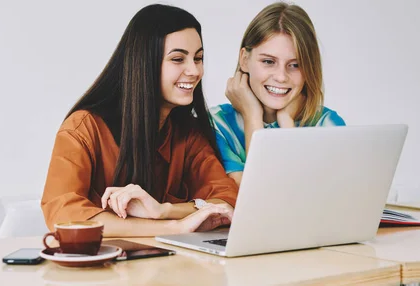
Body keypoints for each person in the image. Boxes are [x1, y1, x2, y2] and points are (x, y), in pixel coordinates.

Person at [41, 4, 238, 237]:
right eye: (178, 59)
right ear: (144, 63)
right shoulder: (83, 128)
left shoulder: (188, 134)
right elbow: (63, 214)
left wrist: (163, 211)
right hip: (102, 269)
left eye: (198, 58)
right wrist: (174, 226)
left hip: (170, 267)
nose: (194, 71)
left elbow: (227, 200)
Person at [211, 2, 346, 186]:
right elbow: (257, 196)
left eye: (295, 65)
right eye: (268, 61)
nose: (281, 77)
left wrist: (286, 123)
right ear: (244, 60)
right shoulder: (217, 125)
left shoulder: (327, 124)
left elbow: (312, 199)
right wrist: (252, 116)